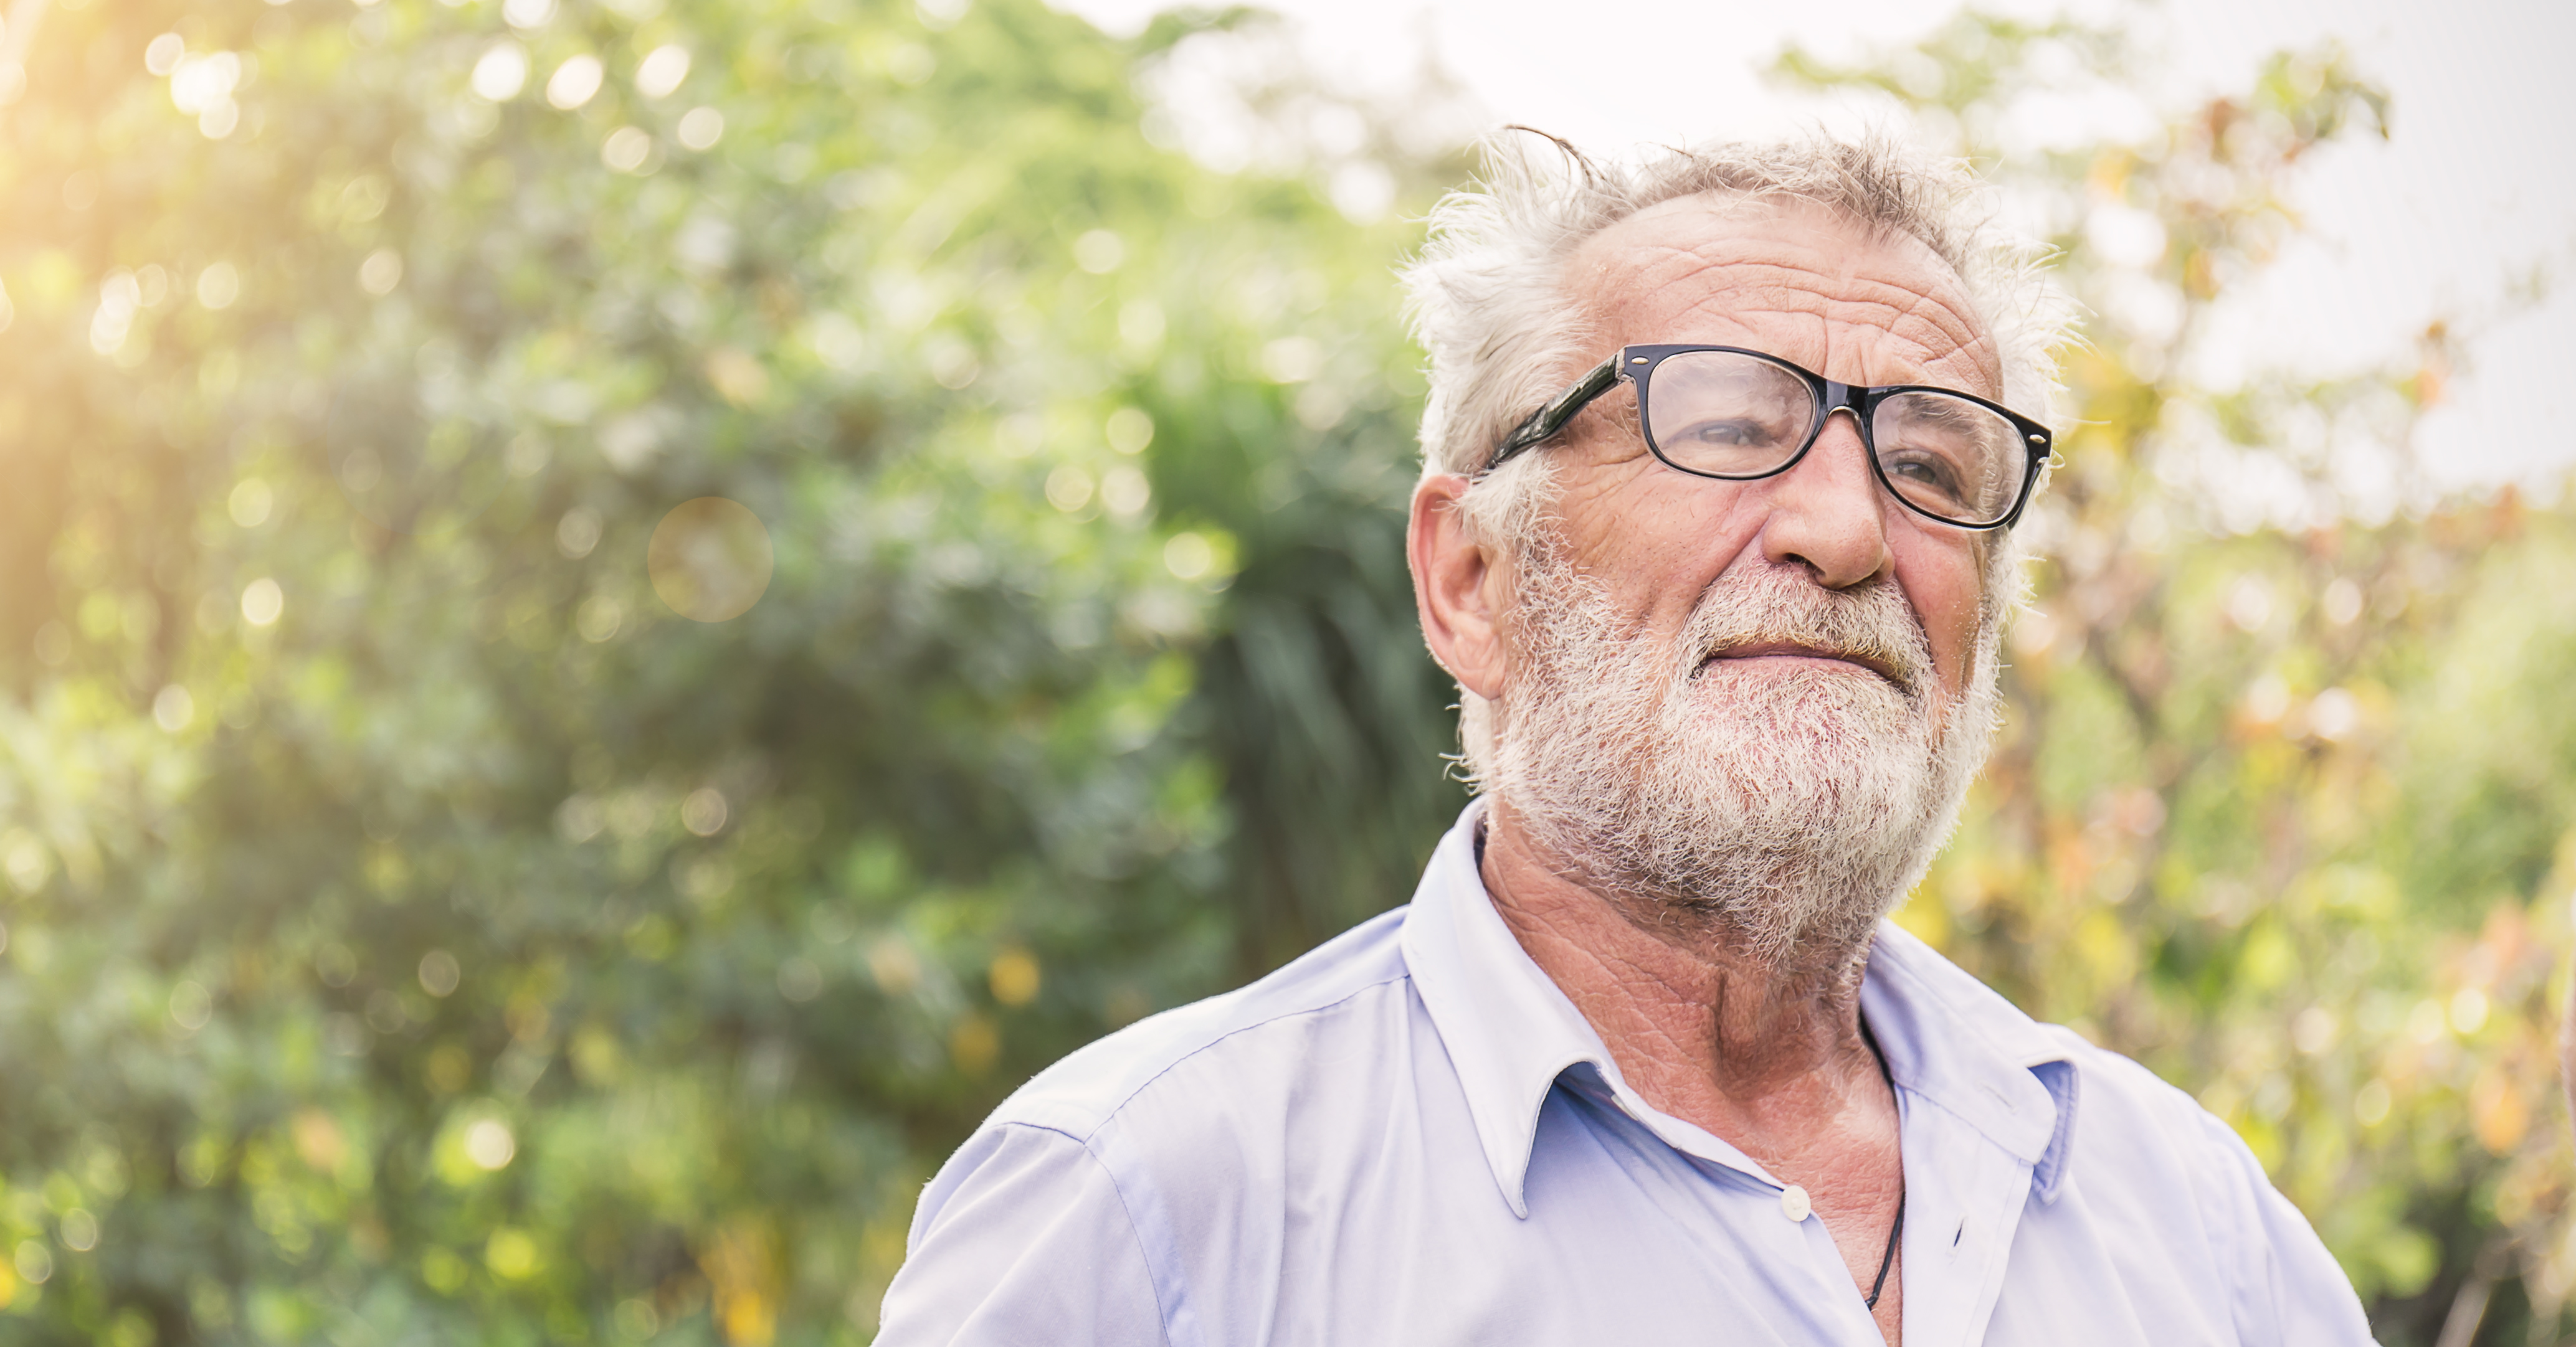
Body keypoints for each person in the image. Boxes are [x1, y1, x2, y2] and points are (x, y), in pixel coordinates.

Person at [871, 133, 2371, 1346]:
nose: (1849, 528)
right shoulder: (1145, 1206)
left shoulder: (2189, 1222)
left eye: (1927, 460)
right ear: (1471, 581)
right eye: (1722, 426)